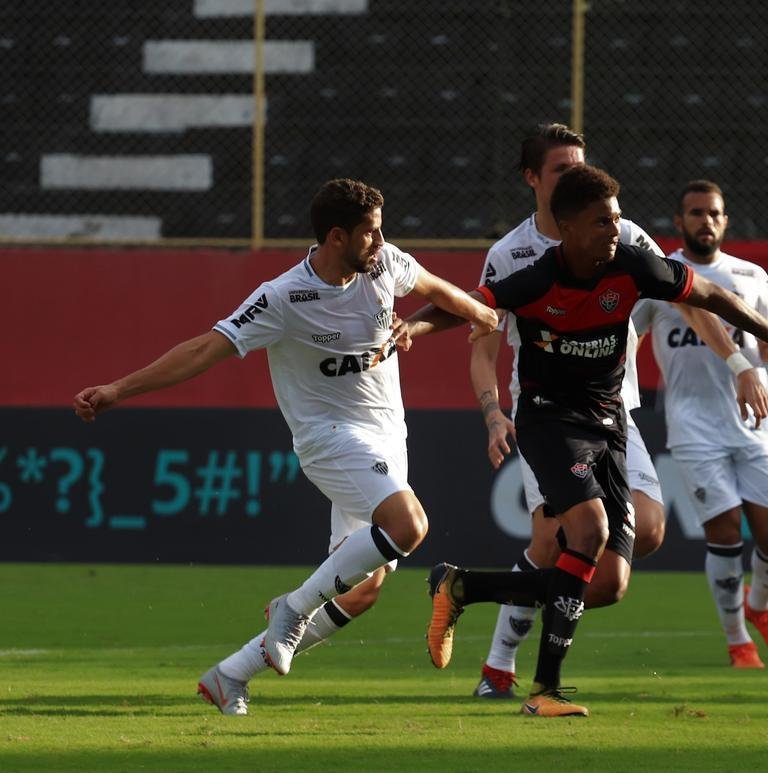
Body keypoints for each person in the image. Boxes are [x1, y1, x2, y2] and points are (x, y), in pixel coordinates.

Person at [407, 165, 768, 717]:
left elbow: (709, 297)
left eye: (617, 217)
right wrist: (408, 331)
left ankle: (463, 587)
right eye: (603, 220)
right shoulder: (537, 278)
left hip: (611, 426)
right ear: (568, 228)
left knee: (606, 583)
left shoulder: (633, 264)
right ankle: (542, 692)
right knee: (589, 530)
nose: (616, 228)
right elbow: (467, 305)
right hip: (550, 423)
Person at [72, 178, 497, 715]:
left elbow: (441, 295)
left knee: (361, 591)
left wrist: (453, 317)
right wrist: (117, 390)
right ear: (336, 236)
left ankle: (231, 675)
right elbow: (205, 348)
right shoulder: (283, 296)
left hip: (388, 435)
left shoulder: (385, 263)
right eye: (370, 232)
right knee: (409, 526)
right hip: (329, 437)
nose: (381, 240)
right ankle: (291, 609)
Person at [467, 123, 740, 699]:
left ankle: (471, 590)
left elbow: (690, 303)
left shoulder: (622, 233)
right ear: (533, 179)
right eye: (563, 169)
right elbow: (484, 338)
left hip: (615, 411)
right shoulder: (511, 254)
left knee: (645, 535)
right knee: (553, 541)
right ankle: (499, 668)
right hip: (547, 413)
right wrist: (493, 412)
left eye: (580, 165)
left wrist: (739, 364)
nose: (577, 176)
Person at [632, 180, 768, 670]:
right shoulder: (660, 277)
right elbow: (629, 333)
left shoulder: (750, 275)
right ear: (679, 222)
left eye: (714, 213)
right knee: (725, 532)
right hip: (692, 426)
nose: (706, 220)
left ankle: (760, 607)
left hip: (752, 423)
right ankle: (737, 640)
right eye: (695, 212)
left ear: (726, 221)